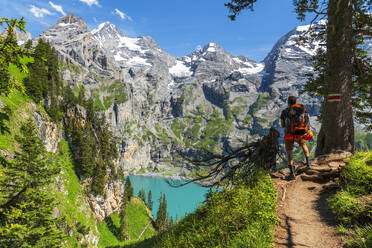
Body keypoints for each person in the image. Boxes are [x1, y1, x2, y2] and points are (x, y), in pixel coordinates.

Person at [280, 96, 312, 180]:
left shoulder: (285, 111)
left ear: (288, 102)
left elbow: (282, 125)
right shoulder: (301, 109)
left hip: (289, 134)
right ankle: (309, 164)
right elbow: (307, 120)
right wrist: (307, 130)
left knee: (289, 151)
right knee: (304, 145)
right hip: (301, 133)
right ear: (295, 102)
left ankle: (292, 173)